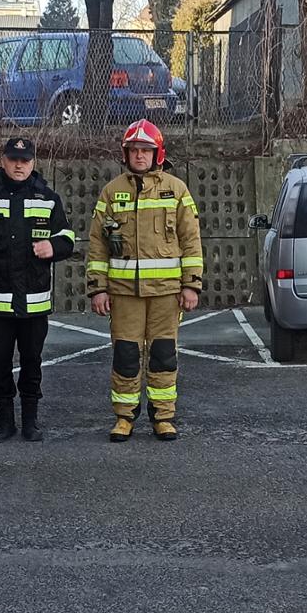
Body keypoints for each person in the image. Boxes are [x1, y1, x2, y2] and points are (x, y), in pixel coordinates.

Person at [85, 120, 204, 442]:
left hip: (166, 293)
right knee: (125, 356)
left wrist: (191, 285)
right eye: (134, 150)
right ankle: (124, 418)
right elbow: (97, 244)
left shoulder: (176, 190)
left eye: (145, 150)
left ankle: (163, 417)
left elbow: (191, 240)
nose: (139, 156)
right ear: (125, 154)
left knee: (164, 355)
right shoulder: (111, 192)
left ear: (157, 154)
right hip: (124, 294)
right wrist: (98, 288)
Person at [0, 137, 76, 442]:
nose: (19, 165)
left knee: (32, 361)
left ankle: (30, 421)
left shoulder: (48, 198)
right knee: (0, 361)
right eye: (13, 159)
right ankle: (4, 422)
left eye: (25, 160)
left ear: (34, 162)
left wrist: (53, 246)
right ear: (3, 160)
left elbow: (67, 238)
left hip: (35, 302)